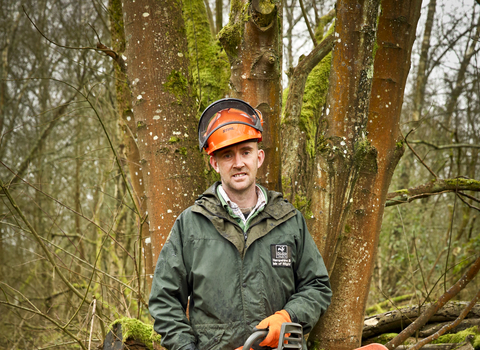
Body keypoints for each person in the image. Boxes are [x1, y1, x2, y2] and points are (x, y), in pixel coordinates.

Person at [149, 98, 332, 350]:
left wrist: (289, 317)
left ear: (259, 157)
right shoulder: (190, 225)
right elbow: (165, 300)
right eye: (227, 155)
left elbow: (317, 286)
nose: (238, 163)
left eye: (245, 152)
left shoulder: (289, 221)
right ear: (214, 163)